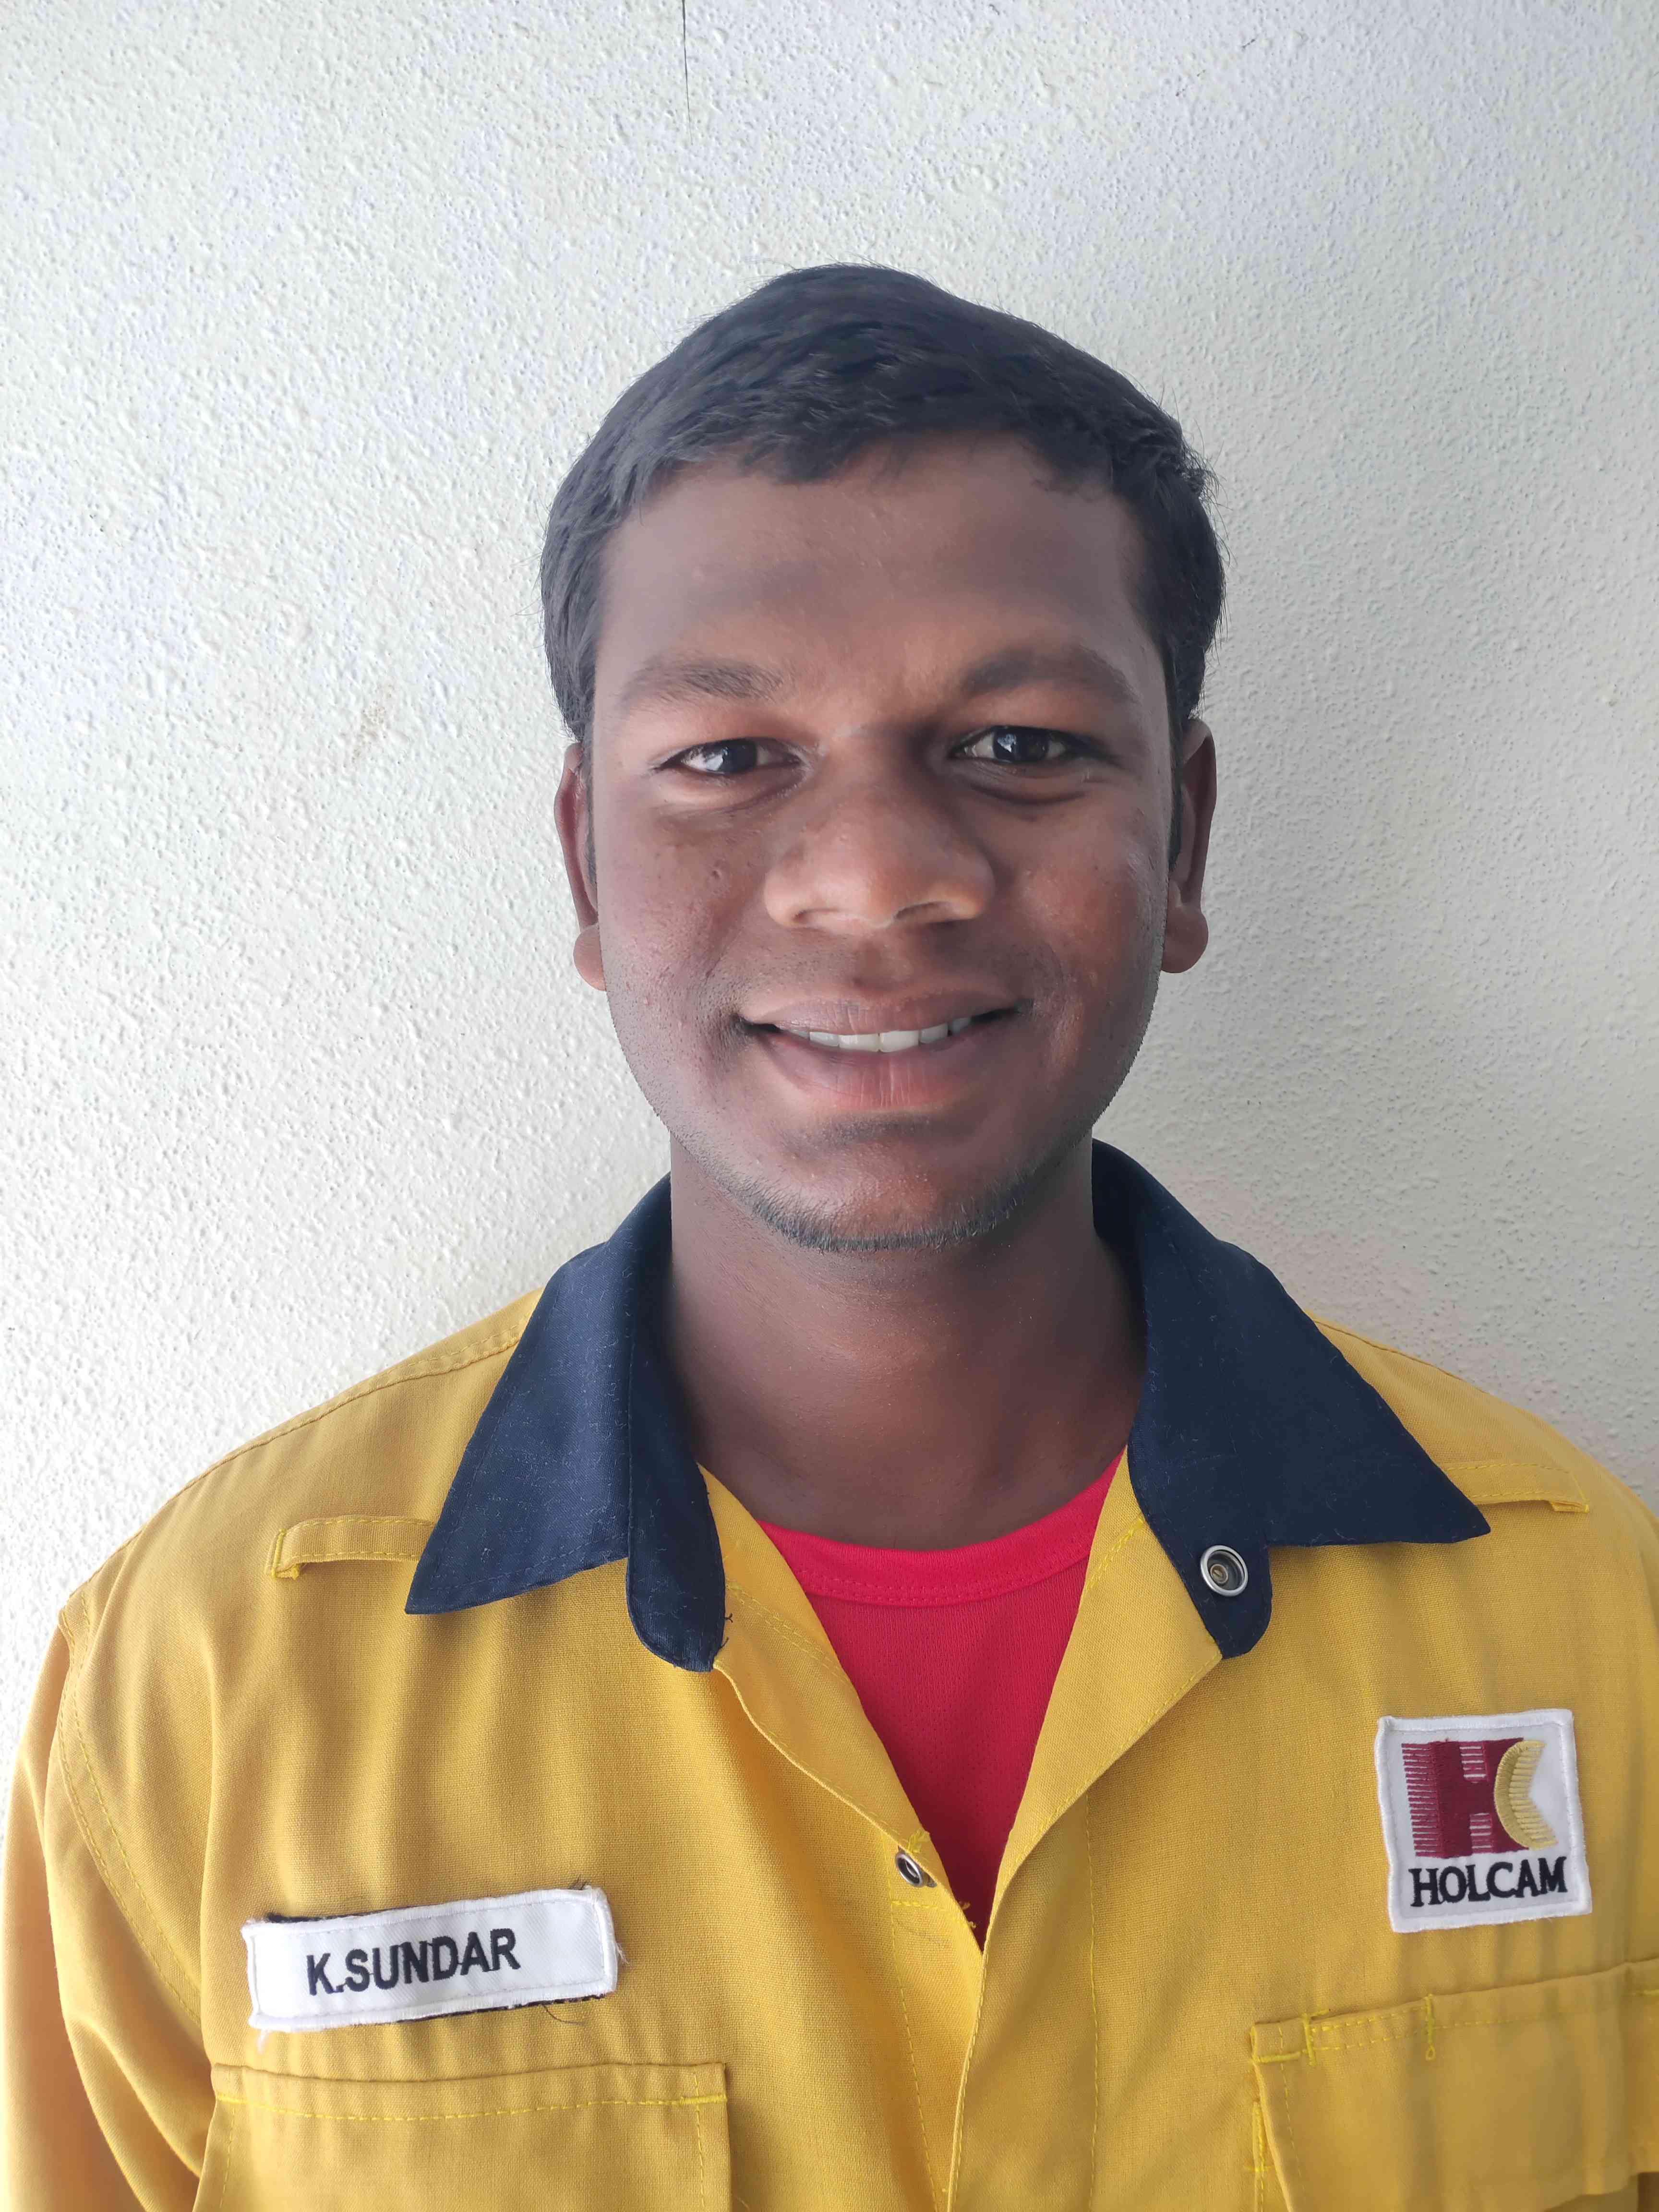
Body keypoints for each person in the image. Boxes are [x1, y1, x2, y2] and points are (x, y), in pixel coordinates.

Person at [4, 264, 1655, 2211]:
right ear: (587, 864)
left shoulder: (1592, 1631)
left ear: (1187, 841)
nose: (876, 877)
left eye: (1019, 744)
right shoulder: (208, 1683)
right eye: (728, 758)